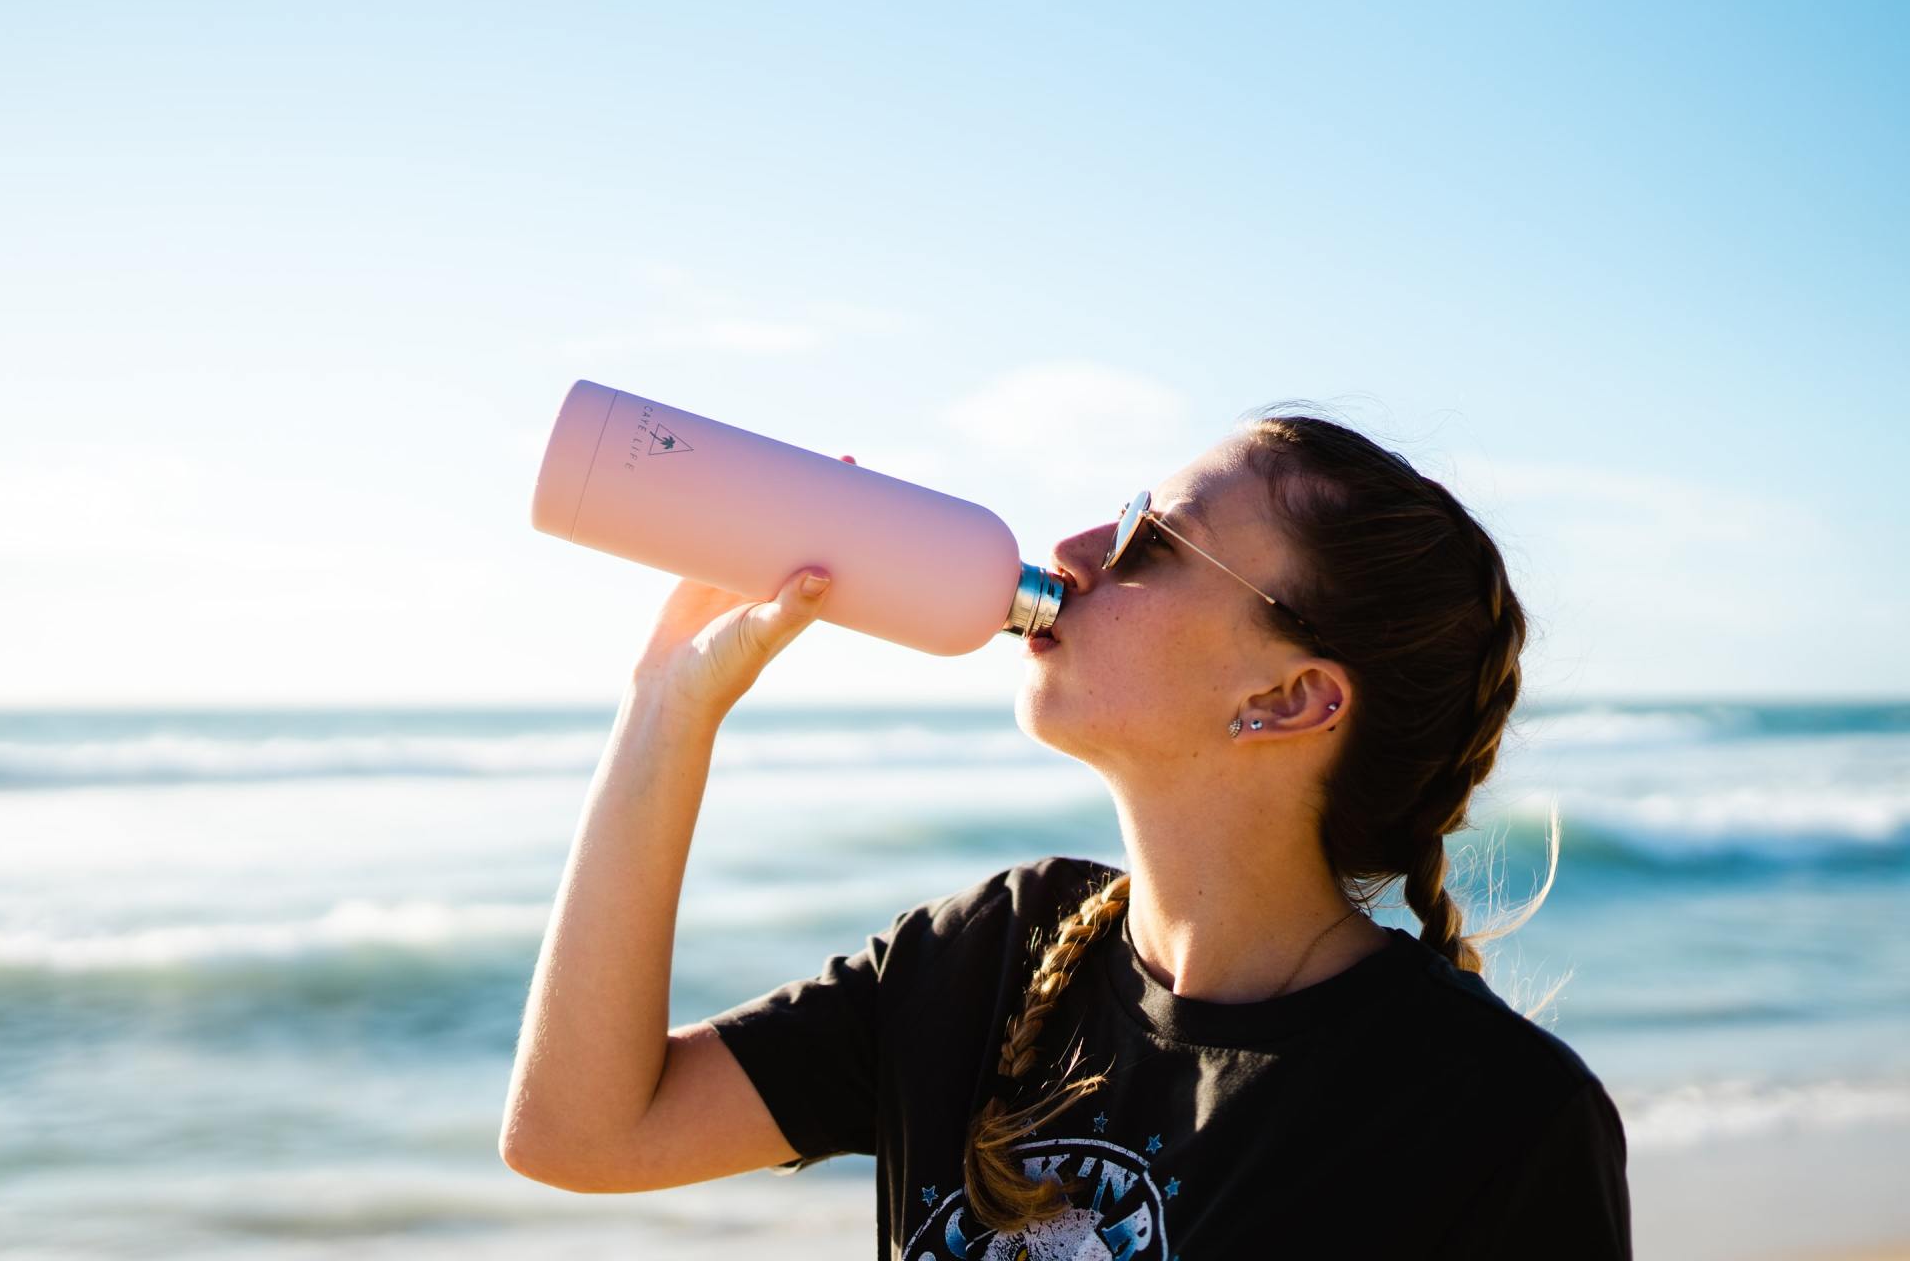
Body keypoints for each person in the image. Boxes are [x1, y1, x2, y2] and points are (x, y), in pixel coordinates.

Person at [499, 409, 1633, 1259]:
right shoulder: (982, 957)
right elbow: (581, 1131)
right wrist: (668, 703)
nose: (1079, 546)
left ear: (1289, 698)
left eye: (1150, 541)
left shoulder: (1491, 1117)